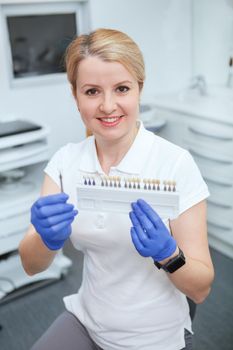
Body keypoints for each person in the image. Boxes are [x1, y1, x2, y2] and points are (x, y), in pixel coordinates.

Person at [19, 28, 214, 350]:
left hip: (154, 336)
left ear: (139, 89)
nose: (108, 106)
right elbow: (31, 265)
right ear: (75, 95)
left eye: (121, 88)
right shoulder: (65, 162)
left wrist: (169, 255)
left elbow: (201, 290)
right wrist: (45, 238)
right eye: (92, 91)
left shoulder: (175, 164)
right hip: (87, 320)